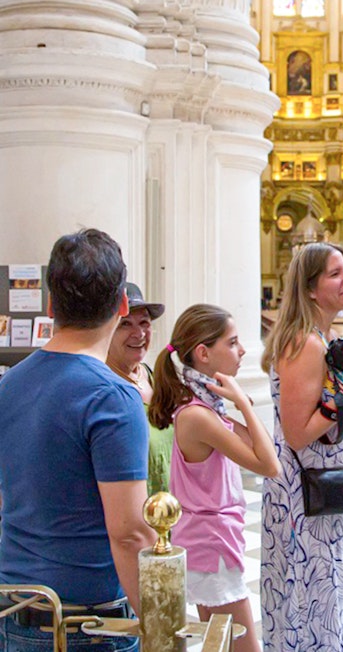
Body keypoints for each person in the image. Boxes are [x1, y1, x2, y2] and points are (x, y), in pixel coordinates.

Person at [0, 229, 155, 651]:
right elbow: (130, 533)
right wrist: (163, 627)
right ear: (122, 303)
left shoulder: (8, 384)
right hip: (85, 626)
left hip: (16, 613)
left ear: (52, 306)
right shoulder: (112, 396)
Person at [260, 242, 343, 650]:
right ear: (310, 288)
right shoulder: (304, 344)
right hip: (308, 501)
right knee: (314, 604)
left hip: (333, 494)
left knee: (336, 597)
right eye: (335, 273)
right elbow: (298, 433)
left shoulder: (324, 339)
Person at [149, 304, 281, 652]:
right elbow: (269, 465)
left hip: (211, 543)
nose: (242, 351)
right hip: (211, 547)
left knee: (220, 645)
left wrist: (237, 405)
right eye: (233, 342)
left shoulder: (207, 408)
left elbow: (262, 446)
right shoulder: (197, 415)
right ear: (203, 353)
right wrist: (245, 403)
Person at [106, 282, 172, 495]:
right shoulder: (104, 387)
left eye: (144, 323)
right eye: (125, 324)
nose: (139, 333)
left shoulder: (156, 378)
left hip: (171, 512)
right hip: (132, 516)